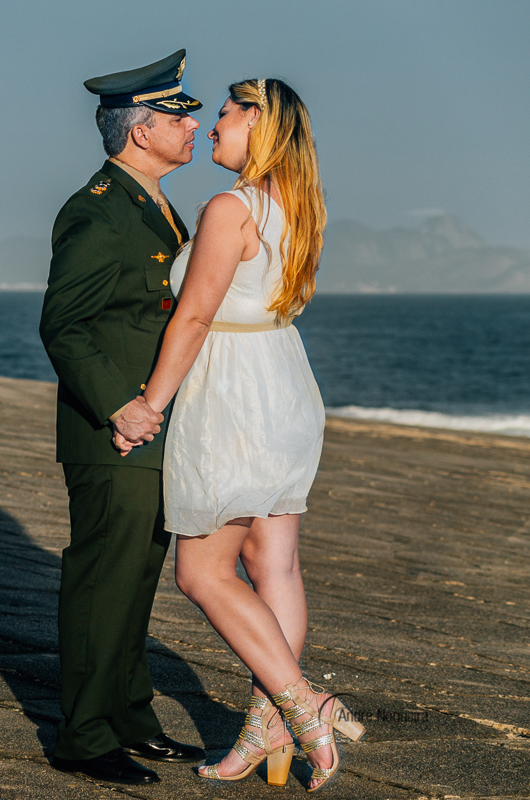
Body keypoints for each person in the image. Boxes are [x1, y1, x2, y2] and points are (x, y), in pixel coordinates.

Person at [114, 78, 365, 791]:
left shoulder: (229, 207)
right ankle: (267, 728)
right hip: (283, 384)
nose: (211, 126)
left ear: (257, 121)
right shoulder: (299, 205)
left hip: (232, 393)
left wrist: (149, 406)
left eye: (222, 114)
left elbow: (193, 319)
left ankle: (302, 704)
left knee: (202, 571)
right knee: (274, 563)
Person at [39, 49, 206, 786]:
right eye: (178, 114)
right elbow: (63, 325)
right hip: (114, 433)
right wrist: (121, 405)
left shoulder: (156, 206)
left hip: (154, 428)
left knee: (137, 580)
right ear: (140, 131)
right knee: (103, 579)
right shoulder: (97, 209)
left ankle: (130, 715)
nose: (192, 124)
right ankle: (82, 736)